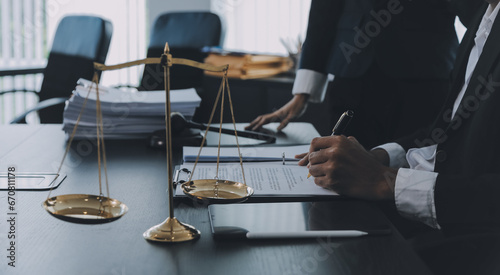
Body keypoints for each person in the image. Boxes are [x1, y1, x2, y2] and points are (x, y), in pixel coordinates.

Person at [302, 1, 500, 272]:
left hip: (475, 238)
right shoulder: (483, 21)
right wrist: (379, 158)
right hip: (355, 69)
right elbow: (446, 135)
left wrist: (386, 182)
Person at [246, 0, 480, 149]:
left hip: (424, 77)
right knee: (341, 172)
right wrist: (303, 93)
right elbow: (323, 13)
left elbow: (476, 12)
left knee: (414, 167)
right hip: (352, 76)